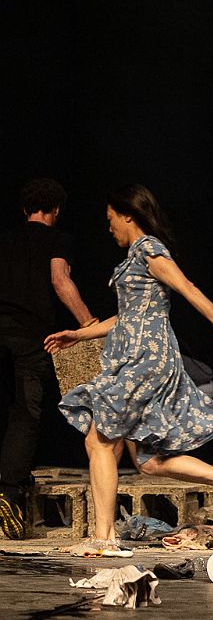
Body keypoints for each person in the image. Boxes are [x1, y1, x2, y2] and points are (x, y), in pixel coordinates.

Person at [43, 185, 213, 556]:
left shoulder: (149, 249)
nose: (109, 227)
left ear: (128, 214)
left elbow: (187, 288)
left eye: (111, 219)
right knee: (149, 462)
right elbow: (125, 318)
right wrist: (78, 334)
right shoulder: (132, 259)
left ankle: (104, 537)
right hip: (132, 356)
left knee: (98, 439)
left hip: (147, 358)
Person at [0, 179, 97, 539]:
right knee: (26, 413)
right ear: (55, 210)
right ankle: (8, 492)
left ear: (25, 209)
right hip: (30, 337)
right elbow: (60, 280)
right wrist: (88, 324)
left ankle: (12, 480)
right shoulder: (57, 239)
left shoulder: (5, 239)